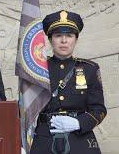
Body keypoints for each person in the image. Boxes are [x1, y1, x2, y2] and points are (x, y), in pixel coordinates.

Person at [30, 10, 107, 154]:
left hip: (80, 140)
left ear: (76, 40)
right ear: (50, 39)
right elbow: (25, 108)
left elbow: (99, 110)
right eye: (58, 36)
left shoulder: (90, 69)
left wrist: (79, 123)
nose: (64, 41)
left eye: (69, 36)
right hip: (44, 140)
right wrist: (23, 143)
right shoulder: (37, 68)